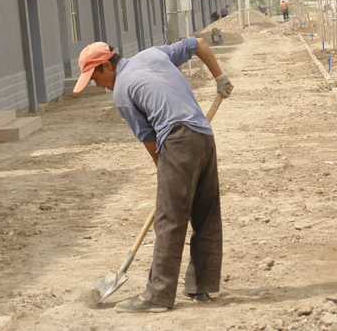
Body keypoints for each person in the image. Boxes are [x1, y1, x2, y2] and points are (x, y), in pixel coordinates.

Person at [74, 39, 233, 313]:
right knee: (206, 215)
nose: (97, 85)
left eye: (95, 77)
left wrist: (169, 177)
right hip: (204, 137)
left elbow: (150, 142)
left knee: (169, 218)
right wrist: (220, 77)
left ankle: (158, 295)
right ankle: (201, 287)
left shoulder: (121, 92)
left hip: (179, 139)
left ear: (106, 66)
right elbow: (199, 43)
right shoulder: (154, 54)